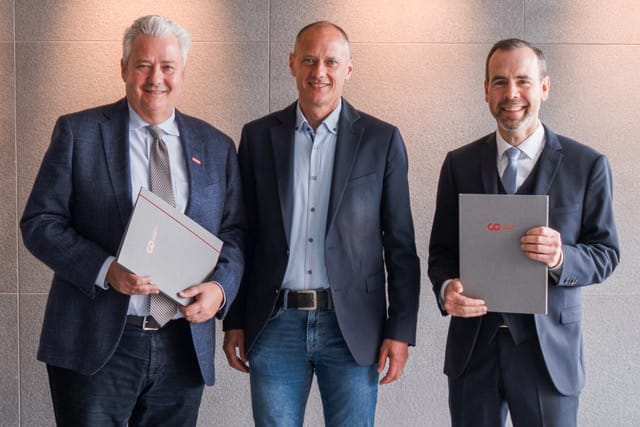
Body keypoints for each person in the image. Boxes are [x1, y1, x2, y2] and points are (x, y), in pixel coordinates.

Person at [20, 15, 244, 427]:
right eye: (143, 65)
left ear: (183, 71)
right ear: (123, 68)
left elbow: (234, 233)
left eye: (167, 66)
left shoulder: (216, 146)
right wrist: (107, 270)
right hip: (97, 341)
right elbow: (40, 222)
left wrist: (219, 288)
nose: (156, 78)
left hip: (182, 344)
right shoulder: (78, 132)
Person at [222, 21, 420, 426]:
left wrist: (400, 330)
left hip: (353, 328)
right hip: (274, 323)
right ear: (292, 63)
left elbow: (400, 244)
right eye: (309, 60)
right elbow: (243, 234)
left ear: (349, 68)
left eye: (331, 62)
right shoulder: (258, 137)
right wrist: (235, 319)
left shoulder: (381, 140)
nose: (319, 72)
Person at [428, 38, 620, 427]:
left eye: (523, 81)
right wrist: (447, 288)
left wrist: (561, 257)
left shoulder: (587, 165)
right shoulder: (459, 164)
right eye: (499, 82)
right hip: (474, 351)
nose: (511, 93)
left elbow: (606, 253)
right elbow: (441, 252)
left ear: (544, 87)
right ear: (486, 91)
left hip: (548, 354)